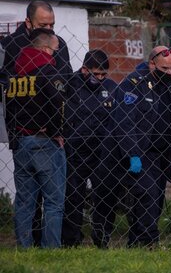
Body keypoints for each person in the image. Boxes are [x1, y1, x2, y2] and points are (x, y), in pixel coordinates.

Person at [92, 45, 171, 248]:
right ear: (152, 64)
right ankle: (147, 242)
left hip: (159, 154)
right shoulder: (133, 84)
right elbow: (124, 122)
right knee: (145, 195)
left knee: (156, 199)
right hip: (137, 152)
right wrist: (133, 153)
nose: (169, 73)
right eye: (165, 69)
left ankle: (136, 243)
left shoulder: (167, 85)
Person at [1, 0, 72, 246]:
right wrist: (56, 131)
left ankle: (25, 247)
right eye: (45, 25)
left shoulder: (55, 46)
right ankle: (50, 249)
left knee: (25, 199)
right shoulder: (10, 47)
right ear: (28, 22)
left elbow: (10, 98)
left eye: (53, 24)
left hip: (23, 135)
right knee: (53, 200)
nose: (51, 30)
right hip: (41, 138)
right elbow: (58, 100)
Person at [61, 50, 117, 247]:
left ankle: (101, 237)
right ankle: (71, 241)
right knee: (73, 196)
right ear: (85, 69)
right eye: (96, 74)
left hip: (102, 152)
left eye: (103, 74)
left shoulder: (111, 88)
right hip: (75, 151)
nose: (100, 78)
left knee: (104, 195)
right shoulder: (70, 85)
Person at [1, 0, 72, 77]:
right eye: (43, 25)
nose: (48, 30)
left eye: (51, 25)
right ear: (28, 23)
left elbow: (69, 76)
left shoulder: (60, 43)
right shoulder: (8, 45)